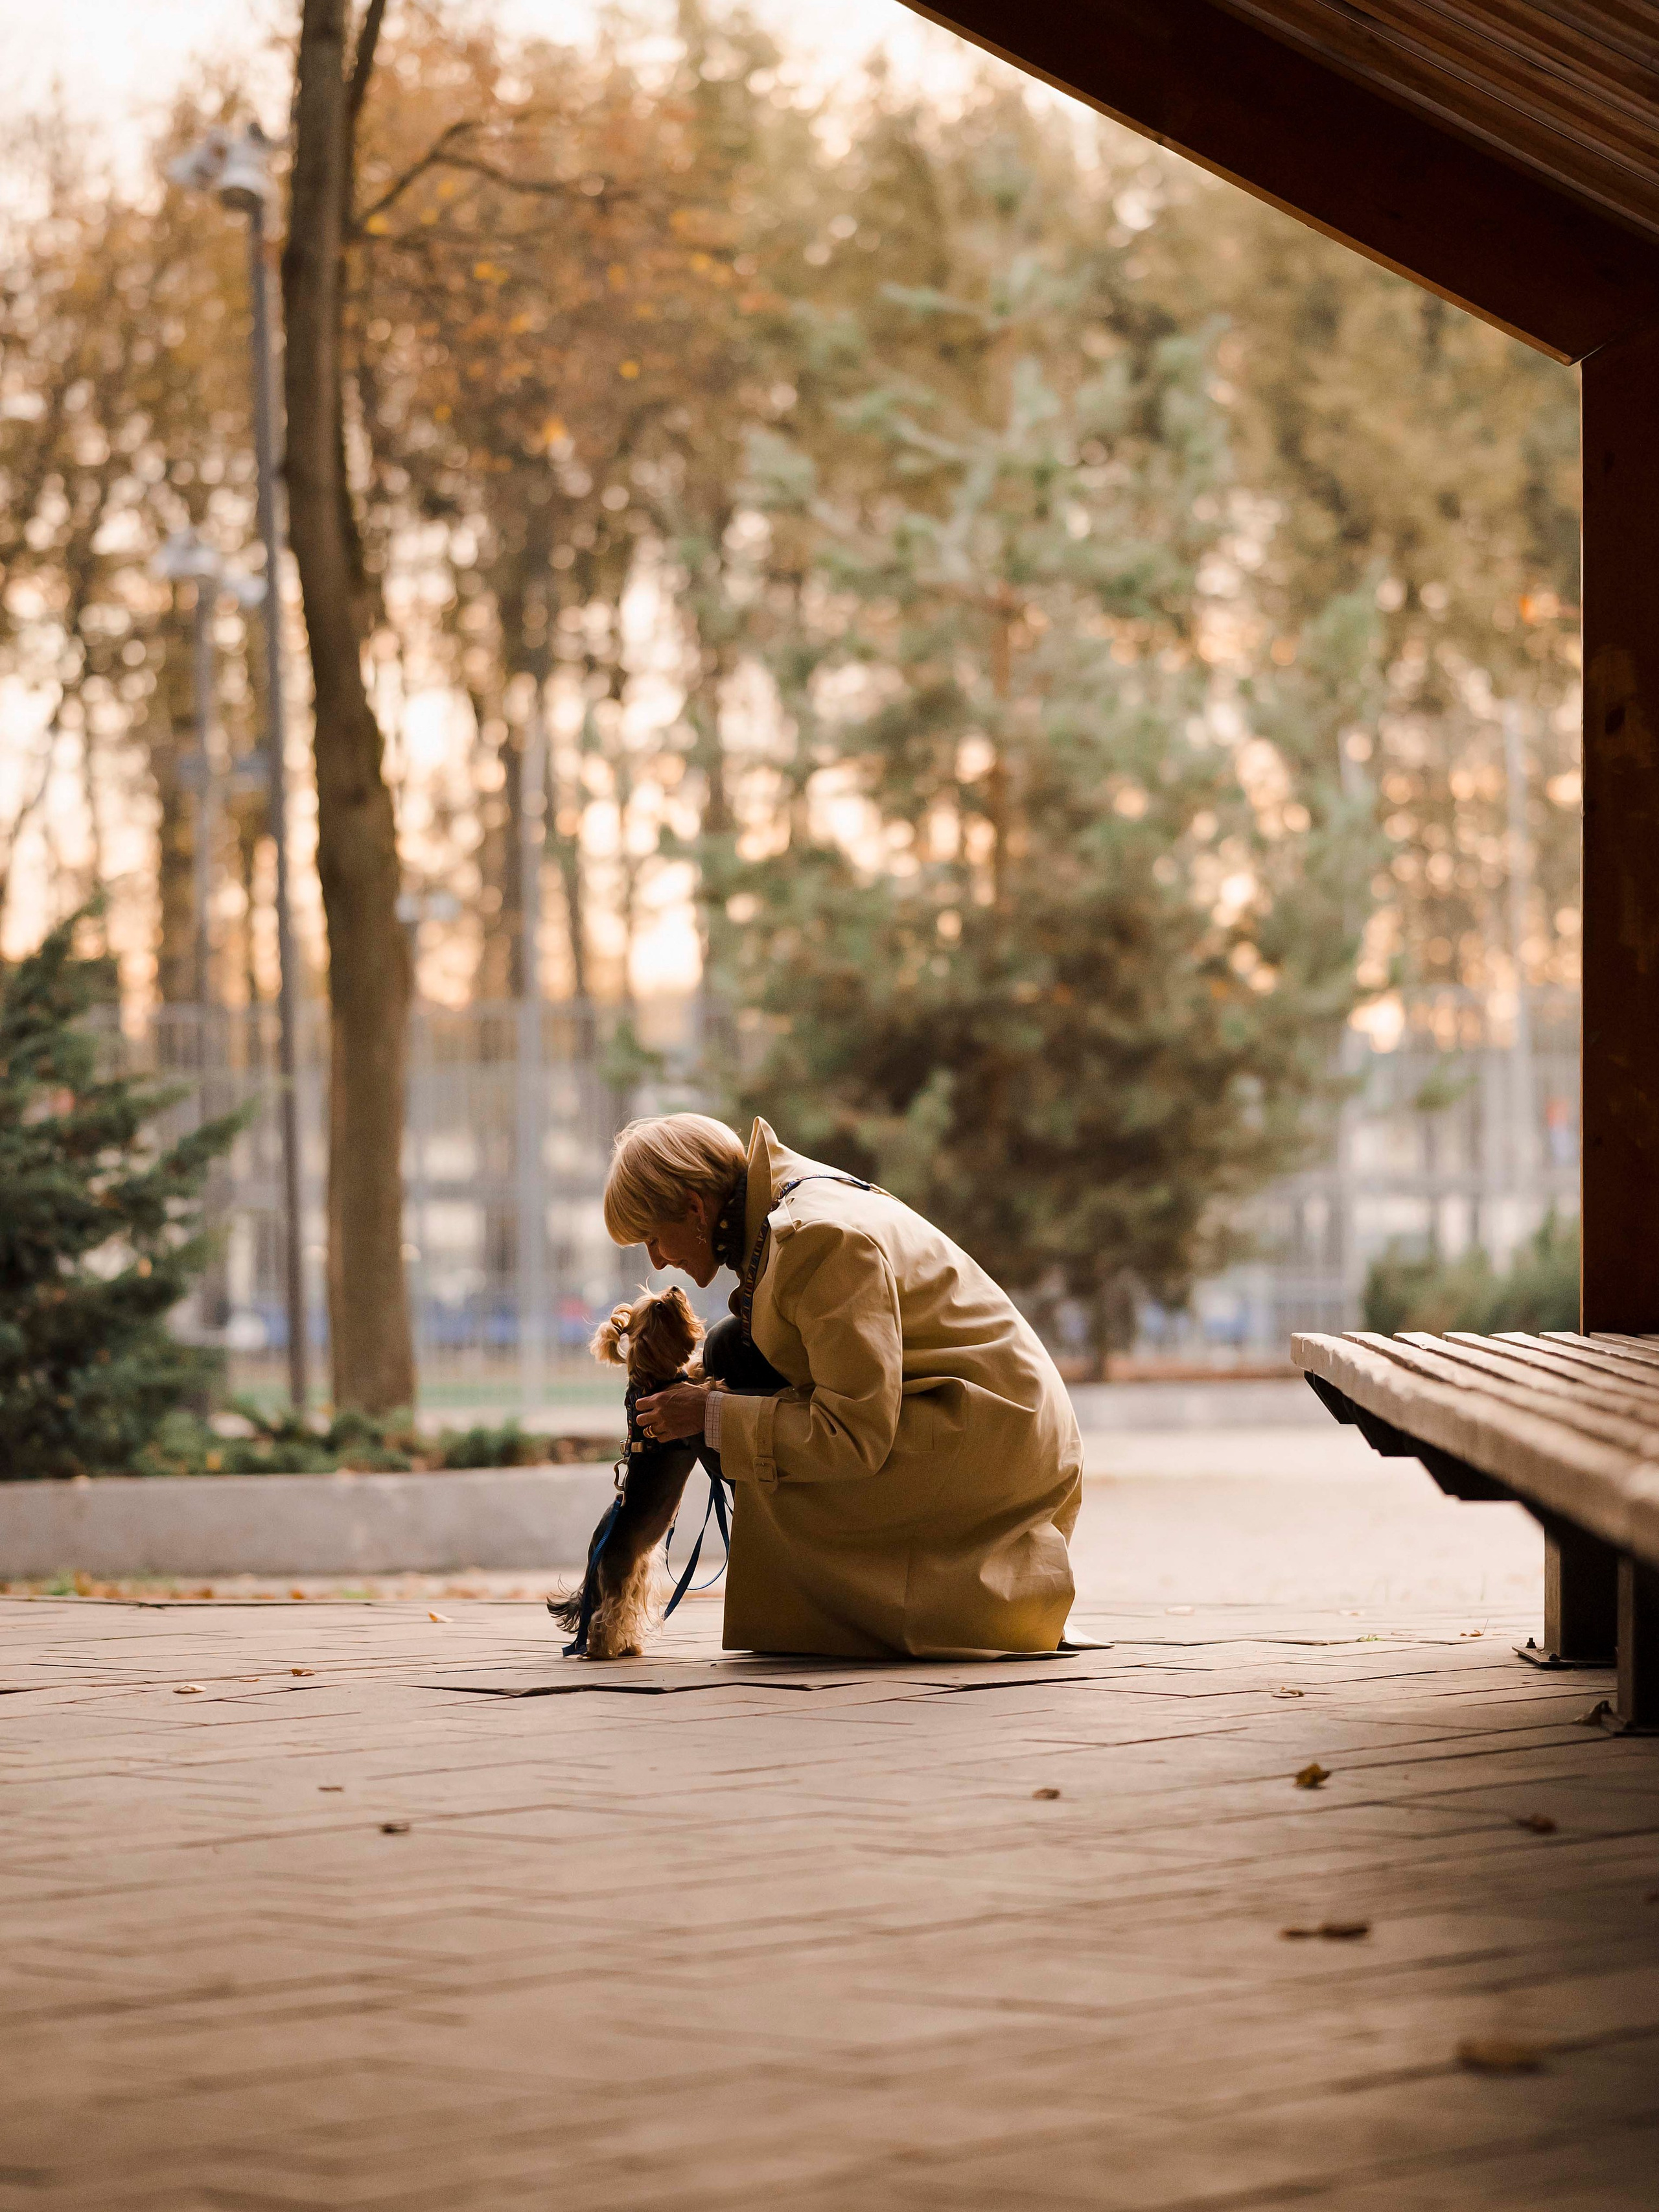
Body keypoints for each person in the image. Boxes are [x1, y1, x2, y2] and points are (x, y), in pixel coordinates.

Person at [603, 1112, 1082, 1659]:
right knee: (730, 1348)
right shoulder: (788, 1204)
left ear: (694, 1207)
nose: (657, 1259)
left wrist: (709, 1414)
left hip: (995, 1451)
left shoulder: (816, 1238)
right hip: (997, 1423)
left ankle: (834, 1595)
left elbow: (855, 1434)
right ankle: (809, 1588)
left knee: (726, 1394)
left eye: (652, 1237)